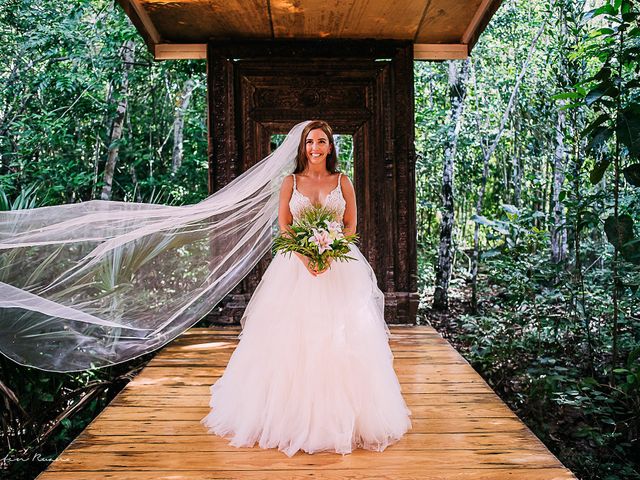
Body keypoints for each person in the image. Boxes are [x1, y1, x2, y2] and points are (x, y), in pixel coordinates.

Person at [200, 120, 412, 457]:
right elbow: (284, 226)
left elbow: (351, 225)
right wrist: (305, 257)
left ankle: (346, 420)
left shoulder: (343, 181)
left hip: (339, 266)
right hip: (295, 268)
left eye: (322, 142)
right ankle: (287, 417)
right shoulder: (290, 182)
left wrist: (329, 253)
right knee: (291, 340)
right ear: (303, 147)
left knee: (342, 340)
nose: (316, 147)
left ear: (330, 147)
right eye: (310, 142)